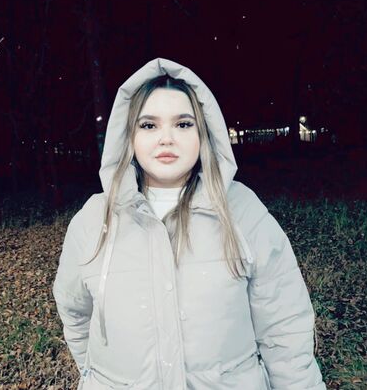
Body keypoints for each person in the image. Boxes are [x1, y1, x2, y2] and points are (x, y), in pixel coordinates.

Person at [53, 58, 326, 390]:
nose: (166, 138)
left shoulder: (242, 210)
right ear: (129, 136)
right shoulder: (93, 220)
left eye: (183, 124)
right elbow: (75, 314)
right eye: (148, 125)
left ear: (203, 132)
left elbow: (283, 327)